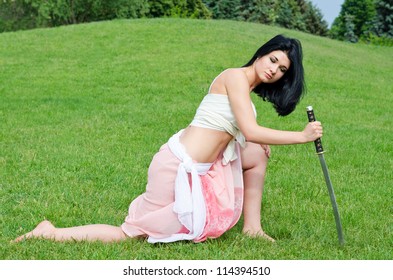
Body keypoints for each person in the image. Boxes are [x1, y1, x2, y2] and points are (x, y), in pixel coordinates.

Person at [14, 34, 322, 243]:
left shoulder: (246, 89)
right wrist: (301, 136)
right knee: (131, 234)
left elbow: (236, 129)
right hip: (176, 167)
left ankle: (252, 228)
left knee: (256, 155)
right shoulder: (234, 77)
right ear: (262, 53)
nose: (275, 70)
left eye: (282, 69)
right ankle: (50, 232)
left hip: (197, 170)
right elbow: (249, 129)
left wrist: (253, 140)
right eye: (273, 60)